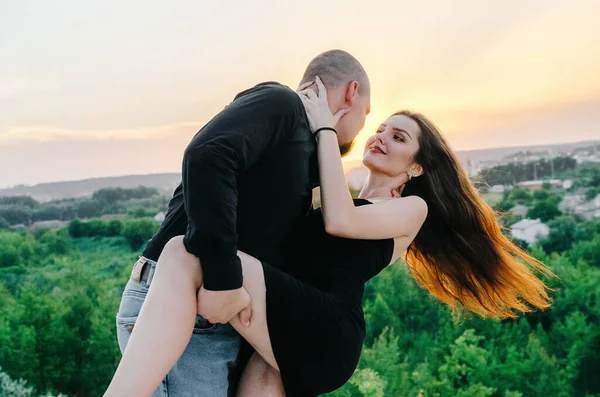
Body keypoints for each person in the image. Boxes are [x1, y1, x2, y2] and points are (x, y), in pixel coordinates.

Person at [105, 77, 556, 396]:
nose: (380, 137)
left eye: (398, 138)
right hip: (285, 323)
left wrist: (323, 126)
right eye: (380, 128)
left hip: (325, 330)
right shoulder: (333, 198)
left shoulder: (410, 211)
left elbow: (341, 221)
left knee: (184, 253)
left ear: (416, 167)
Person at [113, 50, 371, 396]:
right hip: (184, 301)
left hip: (213, 314)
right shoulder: (282, 103)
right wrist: (223, 279)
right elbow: (208, 155)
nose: (362, 130)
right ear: (352, 93)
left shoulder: (301, 151)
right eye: (366, 115)